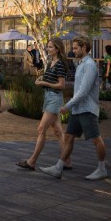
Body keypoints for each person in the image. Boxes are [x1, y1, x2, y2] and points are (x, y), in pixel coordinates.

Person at [40, 35, 108, 181]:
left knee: (96, 139)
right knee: (69, 137)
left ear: (84, 48)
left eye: (76, 48)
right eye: (73, 47)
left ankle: (102, 169)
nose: (73, 50)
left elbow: (83, 92)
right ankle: (58, 168)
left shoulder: (89, 65)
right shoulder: (81, 64)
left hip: (87, 109)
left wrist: (67, 106)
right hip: (78, 109)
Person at [17, 38, 71, 171]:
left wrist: (45, 83)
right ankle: (68, 161)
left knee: (41, 129)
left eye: (51, 47)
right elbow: (49, 79)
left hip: (54, 99)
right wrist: (41, 79)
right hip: (48, 97)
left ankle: (32, 161)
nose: (48, 49)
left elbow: (62, 85)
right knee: (58, 131)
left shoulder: (60, 64)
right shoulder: (50, 62)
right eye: (48, 47)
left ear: (58, 49)